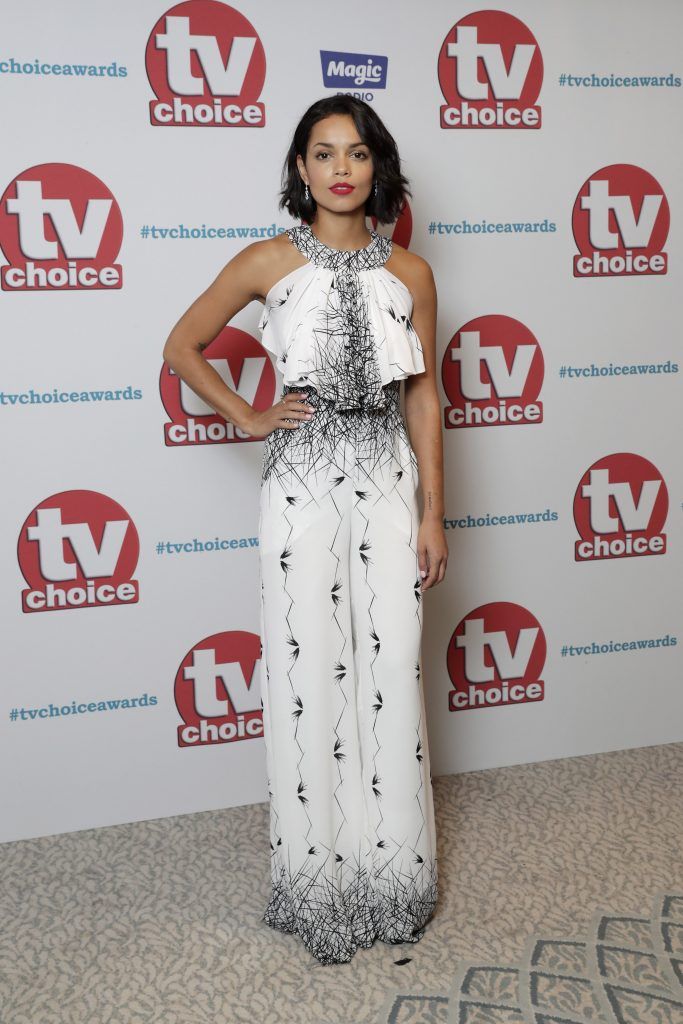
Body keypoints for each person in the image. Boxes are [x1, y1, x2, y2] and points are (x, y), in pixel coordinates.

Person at [163, 95, 447, 965]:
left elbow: (424, 396)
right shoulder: (266, 261)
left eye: (355, 153)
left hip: (389, 484)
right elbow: (182, 344)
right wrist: (247, 414)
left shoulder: (412, 274)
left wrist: (434, 512)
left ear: (375, 167)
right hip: (299, 485)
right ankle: (316, 880)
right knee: (305, 671)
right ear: (300, 169)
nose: (338, 169)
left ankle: (391, 877)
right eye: (321, 154)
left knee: (390, 669)